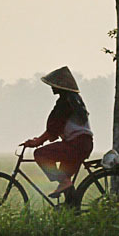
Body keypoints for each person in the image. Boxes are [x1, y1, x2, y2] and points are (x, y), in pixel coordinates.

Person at [21, 66, 94, 199]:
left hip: (76, 144)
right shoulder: (73, 100)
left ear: (61, 86)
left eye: (54, 84)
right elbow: (55, 129)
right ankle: (72, 210)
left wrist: (37, 142)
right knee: (65, 179)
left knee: (40, 154)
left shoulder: (66, 102)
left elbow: (54, 128)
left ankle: (65, 183)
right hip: (83, 144)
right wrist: (40, 139)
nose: (52, 87)